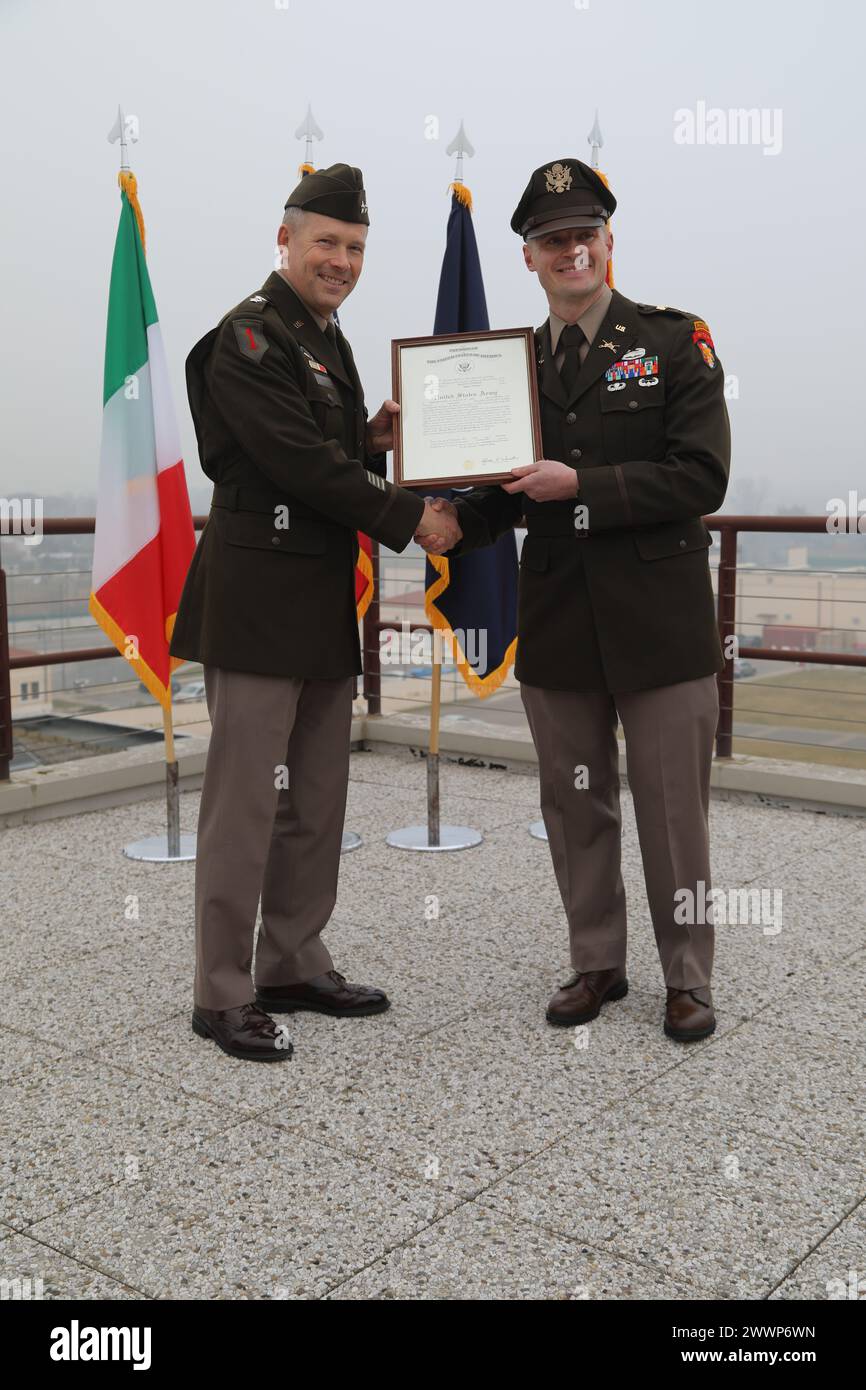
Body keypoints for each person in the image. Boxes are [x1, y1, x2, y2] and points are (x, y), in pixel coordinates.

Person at [420, 157, 730, 1042]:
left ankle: (688, 977)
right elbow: (506, 493)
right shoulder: (507, 366)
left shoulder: (675, 340)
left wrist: (581, 483)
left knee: (675, 811)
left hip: (660, 624)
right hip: (558, 623)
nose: (571, 251)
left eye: (583, 235)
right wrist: (445, 522)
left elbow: (700, 475)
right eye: (552, 240)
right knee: (576, 801)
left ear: (608, 241)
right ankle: (597, 962)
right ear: (529, 257)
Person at [170, 163, 449, 1061]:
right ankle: (221, 993)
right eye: (326, 242)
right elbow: (291, 460)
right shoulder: (249, 335)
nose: (341, 260)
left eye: (356, 247)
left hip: (321, 600)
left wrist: (368, 440)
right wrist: (411, 515)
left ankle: (291, 960)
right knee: (245, 804)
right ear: (284, 239)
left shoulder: (325, 338)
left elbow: (318, 449)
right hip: (257, 603)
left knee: (315, 801)